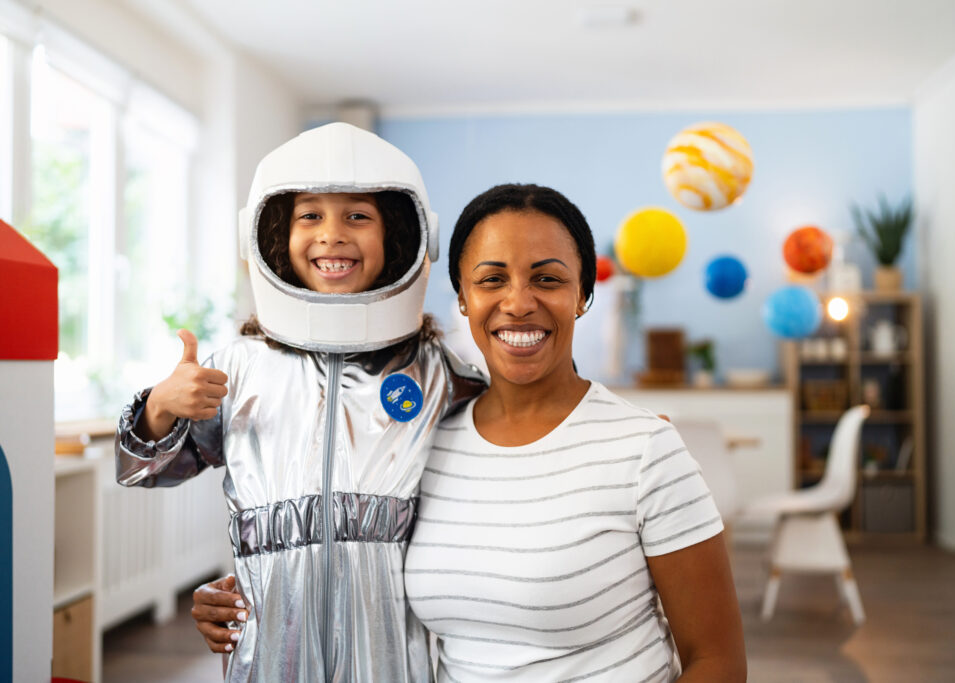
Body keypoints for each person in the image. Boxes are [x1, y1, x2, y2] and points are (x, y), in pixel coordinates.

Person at [194, 183, 747, 681]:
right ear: (463, 299)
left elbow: (717, 661)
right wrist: (257, 589)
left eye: (548, 279)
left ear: (582, 295)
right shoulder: (423, 440)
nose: (519, 302)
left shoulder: (644, 449)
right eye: (492, 280)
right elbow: (356, 551)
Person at [115, 122, 485, 683]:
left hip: (399, 659)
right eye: (309, 215)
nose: (331, 234)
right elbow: (140, 472)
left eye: (358, 216)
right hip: (269, 655)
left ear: (405, 239)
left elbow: (525, 427)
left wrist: (591, 424)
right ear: (270, 237)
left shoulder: (439, 375)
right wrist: (161, 406)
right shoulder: (237, 369)